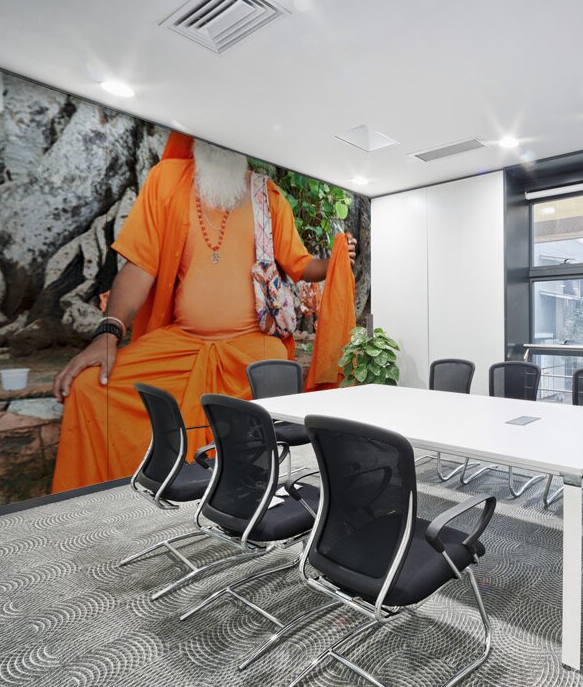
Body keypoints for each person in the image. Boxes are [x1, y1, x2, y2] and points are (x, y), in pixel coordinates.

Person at [50, 134, 356, 493]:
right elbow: (140, 268)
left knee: (270, 376)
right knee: (90, 387)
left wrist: (336, 258)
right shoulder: (167, 181)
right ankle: (107, 499)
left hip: (249, 348)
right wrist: (108, 333)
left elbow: (300, 265)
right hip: (181, 345)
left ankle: (242, 494)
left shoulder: (267, 195)